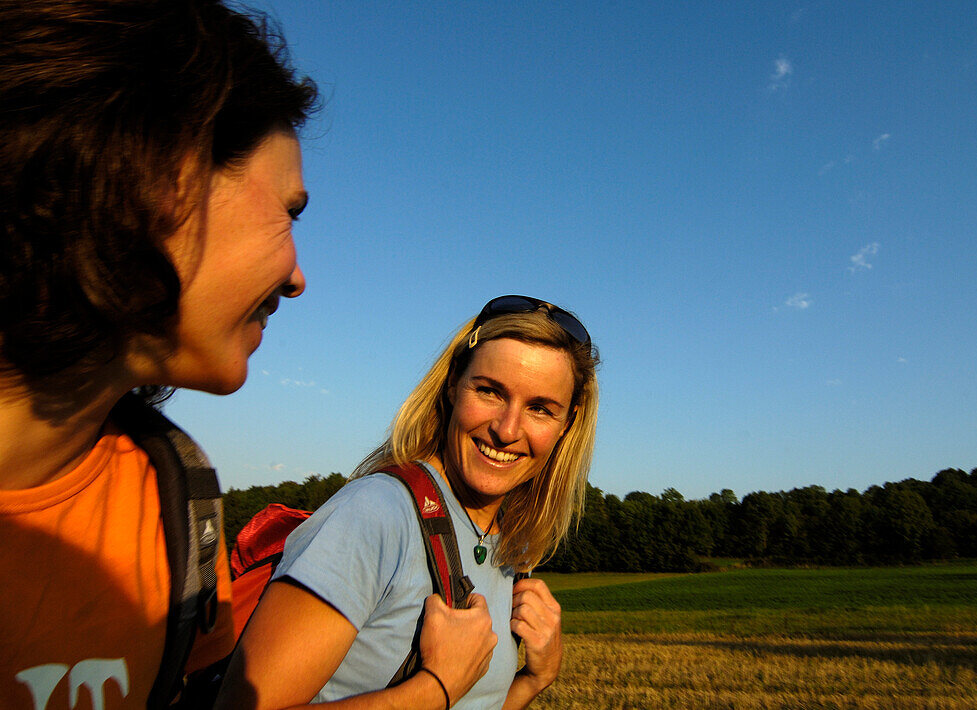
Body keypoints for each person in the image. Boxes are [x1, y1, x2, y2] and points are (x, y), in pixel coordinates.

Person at [0, 2, 494, 708]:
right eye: (288, 213)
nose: (297, 277)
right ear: (154, 178)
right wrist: (438, 687)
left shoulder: (170, 493)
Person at [215, 295, 600, 709]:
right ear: (453, 384)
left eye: (540, 408)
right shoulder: (376, 514)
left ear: (567, 423)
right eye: (489, 391)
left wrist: (532, 680)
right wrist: (435, 686)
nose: (507, 430)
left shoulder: (507, 547)